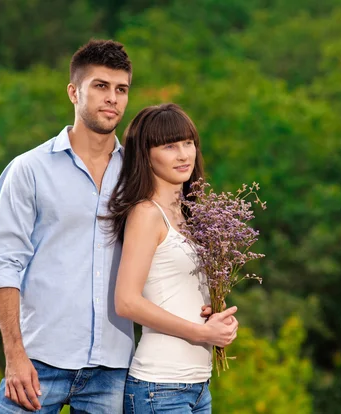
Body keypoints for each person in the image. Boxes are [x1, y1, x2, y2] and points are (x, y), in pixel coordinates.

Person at [0, 39, 135, 413]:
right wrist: (15, 355)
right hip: (38, 362)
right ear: (73, 91)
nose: (112, 99)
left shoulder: (138, 172)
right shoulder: (29, 170)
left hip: (113, 369)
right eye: (100, 86)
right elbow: (5, 266)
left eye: (121, 90)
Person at [107, 103, 239, 413]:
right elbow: (126, 301)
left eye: (188, 143)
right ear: (146, 155)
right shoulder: (146, 214)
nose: (183, 154)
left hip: (198, 386)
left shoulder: (194, 217)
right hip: (160, 386)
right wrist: (201, 332)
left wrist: (218, 320)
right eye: (169, 146)